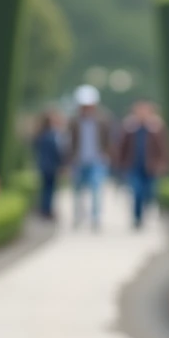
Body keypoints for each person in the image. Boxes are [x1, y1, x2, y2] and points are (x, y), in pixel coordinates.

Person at [116, 100, 169, 229]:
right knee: (137, 192)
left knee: (149, 192)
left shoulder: (156, 127)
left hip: (151, 168)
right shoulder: (129, 128)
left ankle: (147, 212)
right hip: (134, 166)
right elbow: (122, 147)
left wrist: (163, 164)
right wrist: (121, 164)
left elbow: (164, 148)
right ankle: (137, 218)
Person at [68, 84, 115, 230]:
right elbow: (69, 142)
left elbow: (109, 139)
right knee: (77, 191)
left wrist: (107, 155)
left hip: (97, 161)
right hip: (79, 160)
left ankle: (95, 218)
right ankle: (78, 216)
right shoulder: (74, 121)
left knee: (96, 189)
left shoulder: (103, 120)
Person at [31, 110, 65, 220]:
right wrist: (62, 164)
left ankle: (44, 209)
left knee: (45, 188)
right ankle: (47, 210)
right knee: (50, 189)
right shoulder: (52, 135)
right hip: (51, 166)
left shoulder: (40, 135)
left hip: (42, 165)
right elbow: (58, 152)